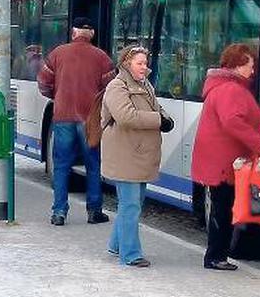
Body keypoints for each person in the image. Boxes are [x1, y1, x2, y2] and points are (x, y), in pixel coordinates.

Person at [191, 44, 260, 271]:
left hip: (217, 159)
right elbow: (232, 120)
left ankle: (217, 255)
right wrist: (258, 142)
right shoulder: (232, 89)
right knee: (222, 208)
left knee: (222, 207)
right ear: (238, 65)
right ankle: (216, 257)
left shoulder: (224, 86)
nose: (253, 70)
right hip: (223, 162)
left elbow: (243, 110)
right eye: (250, 65)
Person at [37, 19, 116, 226]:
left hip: (62, 116)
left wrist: (57, 95)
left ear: (73, 33)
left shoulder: (57, 54)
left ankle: (59, 212)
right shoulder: (102, 57)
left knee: (62, 165)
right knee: (93, 164)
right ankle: (94, 211)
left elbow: (44, 82)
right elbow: (111, 88)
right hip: (89, 119)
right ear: (92, 35)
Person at [100, 45, 172, 267]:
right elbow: (126, 117)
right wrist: (158, 121)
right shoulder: (117, 87)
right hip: (125, 154)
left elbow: (156, 107)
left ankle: (116, 244)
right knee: (130, 205)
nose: (144, 67)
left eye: (145, 62)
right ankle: (130, 254)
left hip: (138, 155)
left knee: (133, 203)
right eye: (139, 63)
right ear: (126, 63)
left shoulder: (143, 84)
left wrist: (166, 118)